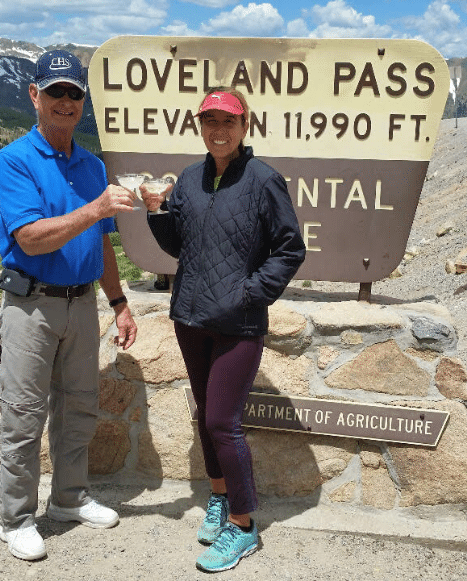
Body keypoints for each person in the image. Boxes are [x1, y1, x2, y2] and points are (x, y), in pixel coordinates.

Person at [141, 87, 306, 573]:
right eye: (210, 120)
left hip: (238, 323)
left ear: (244, 125)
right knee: (204, 415)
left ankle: (243, 525)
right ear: (200, 125)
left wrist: (251, 294)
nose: (218, 129)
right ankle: (218, 496)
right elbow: (181, 245)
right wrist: (155, 211)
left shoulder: (263, 180)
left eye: (227, 121)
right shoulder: (189, 179)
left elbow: (289, 249)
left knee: (222, 424)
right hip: (190, 319)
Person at [0, 49, 138, 561]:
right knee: (24, 414)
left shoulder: (92, 164)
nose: (64, 101)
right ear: (34, 95)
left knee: (79, 406)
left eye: (73, 93)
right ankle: (15, 518)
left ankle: (69, 499)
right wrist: (96, 207)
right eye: (54, 92)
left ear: (83, 102)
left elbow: (100, 243)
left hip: (81, 303)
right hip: (30, 305)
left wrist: (118, 301)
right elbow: (30, 238)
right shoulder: (12, 159)